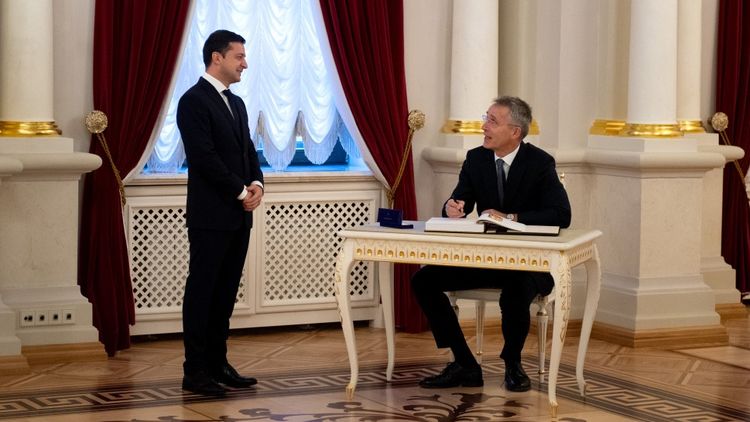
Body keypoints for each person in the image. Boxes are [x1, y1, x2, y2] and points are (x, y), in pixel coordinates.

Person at [411, 96, 571, 392]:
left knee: (515, 292)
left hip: (529, 262)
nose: (484, 126)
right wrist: (452, 207)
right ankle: (464, 363)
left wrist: (511, 217)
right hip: (487, 260)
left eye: (492, 121)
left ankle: (513, 364)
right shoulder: (476, 159)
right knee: (424, 280)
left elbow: (562, 215)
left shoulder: (539, 162)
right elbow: (460, 199)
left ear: (515, 132)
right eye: (486, 118)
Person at [176, 29, 264, 397]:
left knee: (226, 292)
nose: (245, 63)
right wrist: (240, 191)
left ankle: (218, 364)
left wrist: (257, 184)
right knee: (203, 291)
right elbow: (204, 157)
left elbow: (248, 151)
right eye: (238, 56)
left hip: (239, 215)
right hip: (211, 216)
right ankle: (195, 371)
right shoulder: (193, 101)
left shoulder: (237, 103)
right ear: (217, 57)